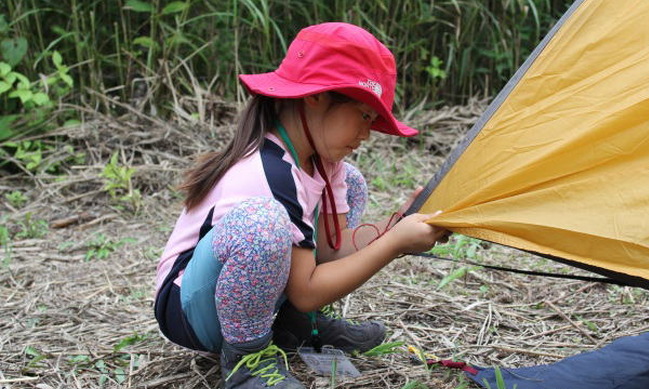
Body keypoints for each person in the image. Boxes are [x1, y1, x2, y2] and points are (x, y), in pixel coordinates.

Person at [153, 22, 448, 388]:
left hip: (248, 298)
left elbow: (332, 249)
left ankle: (294, 326)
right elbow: (307, 291)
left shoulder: (326, 164)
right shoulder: (265, 172)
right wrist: (394, 244)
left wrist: (398, 224)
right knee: (263, 223)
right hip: (192, 310)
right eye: (363, 114)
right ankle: (247, 360)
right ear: (316, 96)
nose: (367, 133)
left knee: (351, 181)